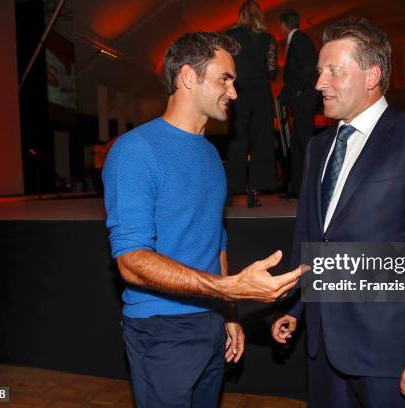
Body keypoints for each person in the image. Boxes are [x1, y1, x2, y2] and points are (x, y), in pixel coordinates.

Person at [271, 19, 405, 407]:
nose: (318, 84)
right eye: (319, 72)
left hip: (390, 356)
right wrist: (294, 305)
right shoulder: (318, 148)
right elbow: (310, 236)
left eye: (334, 72)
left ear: (372, 75)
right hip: (323, 347)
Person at [103, 32, 302, 408]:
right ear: (189, 77)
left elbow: (216, 240)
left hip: (211, 322)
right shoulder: (135, 150)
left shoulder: (212, 156)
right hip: (162, 329)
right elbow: (131, 261)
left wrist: (228, 313)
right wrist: (228, 291)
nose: (234, 92)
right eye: (224, 79)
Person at [225, 0, 278, 206]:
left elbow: (226, 64)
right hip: (262, 95)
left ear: (241, 15)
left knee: (237, 143)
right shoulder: (268, 38)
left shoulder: (231, 36)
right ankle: (253, 193)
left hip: (240, 93)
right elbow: (272, 71)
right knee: (261, 143)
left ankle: (230, 192)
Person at [278, 9, 320, 199]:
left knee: (305, 143)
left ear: (284, 25)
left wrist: (295, 91)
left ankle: (312, 188)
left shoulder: (299, 40)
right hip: (301, 99)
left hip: (303, 99)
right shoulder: (297, 39)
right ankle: (297, 189)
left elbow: (310, 66)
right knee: (297, 144)